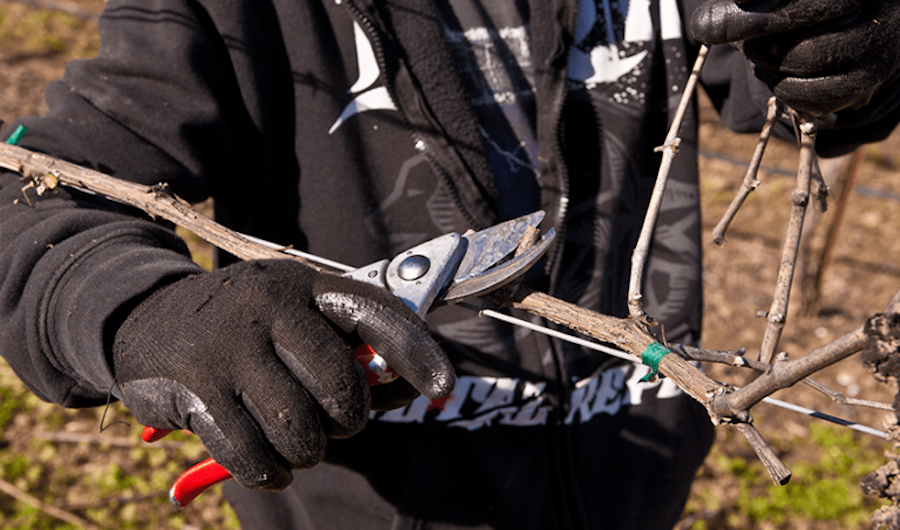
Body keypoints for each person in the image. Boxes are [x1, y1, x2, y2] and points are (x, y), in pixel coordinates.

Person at [1, 0, 899, 528]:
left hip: (632, 481)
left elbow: (788, 77)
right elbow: (32, 195)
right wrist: (143, 313)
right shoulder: (227, 16)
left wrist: (862, 40)